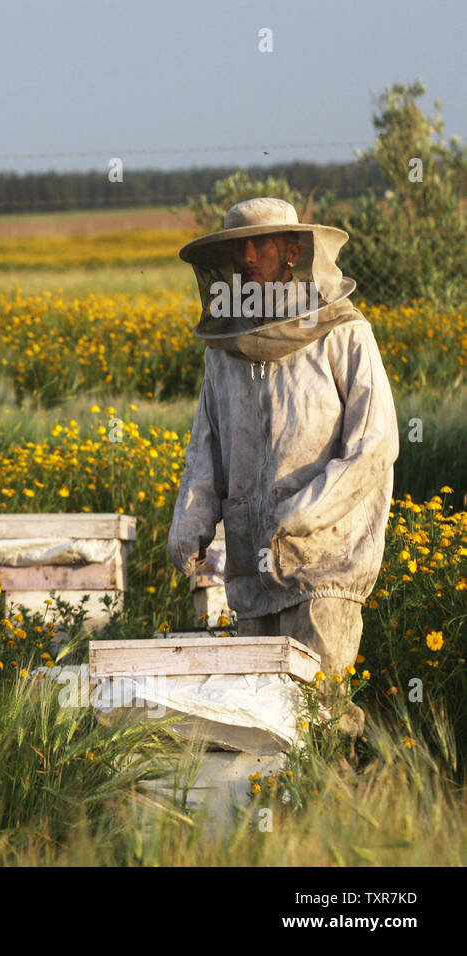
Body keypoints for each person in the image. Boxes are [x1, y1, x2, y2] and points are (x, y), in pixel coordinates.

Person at [167, 198, 400, 735]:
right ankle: (280, 812)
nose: (247, 257)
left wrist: (305, 512)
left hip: (324, 565)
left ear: (293, 252)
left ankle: (336, 805)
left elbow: (375, 443)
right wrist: (192, 519)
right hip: (250, 568)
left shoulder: (344, 332)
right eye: (236, 247)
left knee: (322, 717)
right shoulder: (223, 349)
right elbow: (207, 443)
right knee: (261, 727)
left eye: (261, 244)